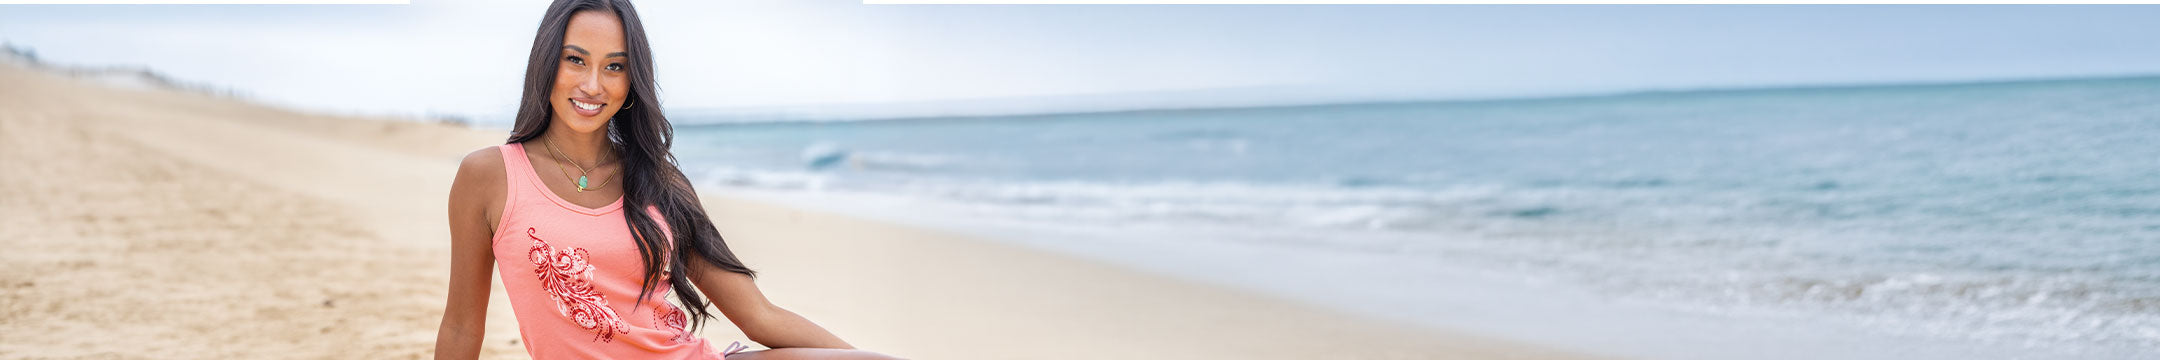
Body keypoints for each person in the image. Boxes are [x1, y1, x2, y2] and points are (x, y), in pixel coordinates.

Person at [432, 1, 899, 359]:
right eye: (575, 60)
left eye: (614, 66)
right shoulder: (489, 176)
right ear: (546, 62)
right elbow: (461, 326)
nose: (593, 85)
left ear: (631, 80)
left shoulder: (660, 181)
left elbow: (759, 315)